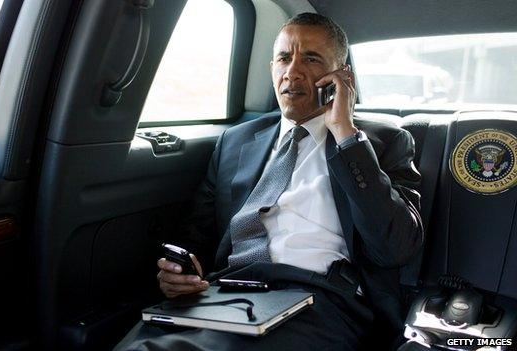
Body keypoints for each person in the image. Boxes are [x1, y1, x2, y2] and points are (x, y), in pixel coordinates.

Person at [115, 12, 423, 351]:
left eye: (311, 58)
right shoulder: (236, 140)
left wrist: (346, 135)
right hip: (224, 291)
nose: (292, 71)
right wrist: (182, 270)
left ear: (341, 76)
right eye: (283, 58)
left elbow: (394, 247)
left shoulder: (382, 141)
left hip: (320, 299)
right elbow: (197, 234)